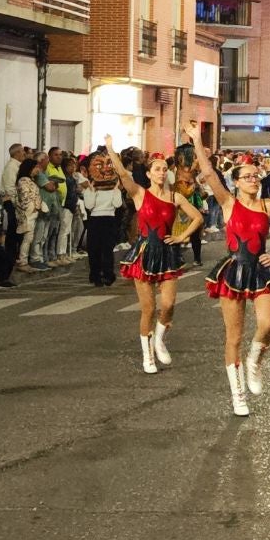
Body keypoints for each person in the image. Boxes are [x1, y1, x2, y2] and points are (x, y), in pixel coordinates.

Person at [194, 136, 270, 416]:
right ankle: (238, 394)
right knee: (234, 337)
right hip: (234, 270)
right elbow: (208, 174)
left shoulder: (269, 205)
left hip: (261, 270)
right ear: (237, 182)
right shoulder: (228, 203)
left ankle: (255, 360)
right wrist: (197, 140)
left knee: (267, 324)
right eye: (248, 177)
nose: (254, 179)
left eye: (256, 176)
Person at [104, 142, 201, 374]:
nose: (161, 172)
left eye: (163, 169)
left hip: (167, 253)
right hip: (145, 252)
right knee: (148, 308)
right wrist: (110, 148)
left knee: (168, 305)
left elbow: (197, 217)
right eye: (156, 169)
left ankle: (159, 340)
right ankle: (147, 356)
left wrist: (180, 237)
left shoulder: (176, 197)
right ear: (148, 174)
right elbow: (123, 173)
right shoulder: (140, 194)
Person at [77, 153, 126, 287]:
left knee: (105, 249)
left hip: (108, 218)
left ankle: (105, 274)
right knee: (95, 249)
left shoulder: (111, 188)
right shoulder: (90, 189)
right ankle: (97, 275)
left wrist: (116, 190)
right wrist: (91, 191)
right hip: (96, 219)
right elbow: (89, 205)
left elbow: (117, 205)